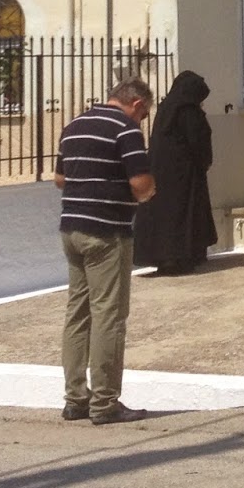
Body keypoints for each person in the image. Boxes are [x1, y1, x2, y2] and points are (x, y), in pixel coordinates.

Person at [56, 75, 156, 425]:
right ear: (137, 104)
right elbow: (141, 184)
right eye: (144, 114)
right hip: (107, 232)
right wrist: (149, 192)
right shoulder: (126, 130)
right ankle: (105, 401)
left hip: (71, 229)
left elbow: (60, 179)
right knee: (109, 316)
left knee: (78, 313)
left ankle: (75, 399)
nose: (142, 120)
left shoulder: (73, 126)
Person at [133, 70, 216, 277]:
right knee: (182, 216)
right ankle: (180, 258)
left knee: (164, 217)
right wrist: (204, 161)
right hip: (184, 175)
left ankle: (166, 260)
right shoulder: (188, 111)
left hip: (160, 173)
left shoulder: (166, 109)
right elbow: (197, 141)